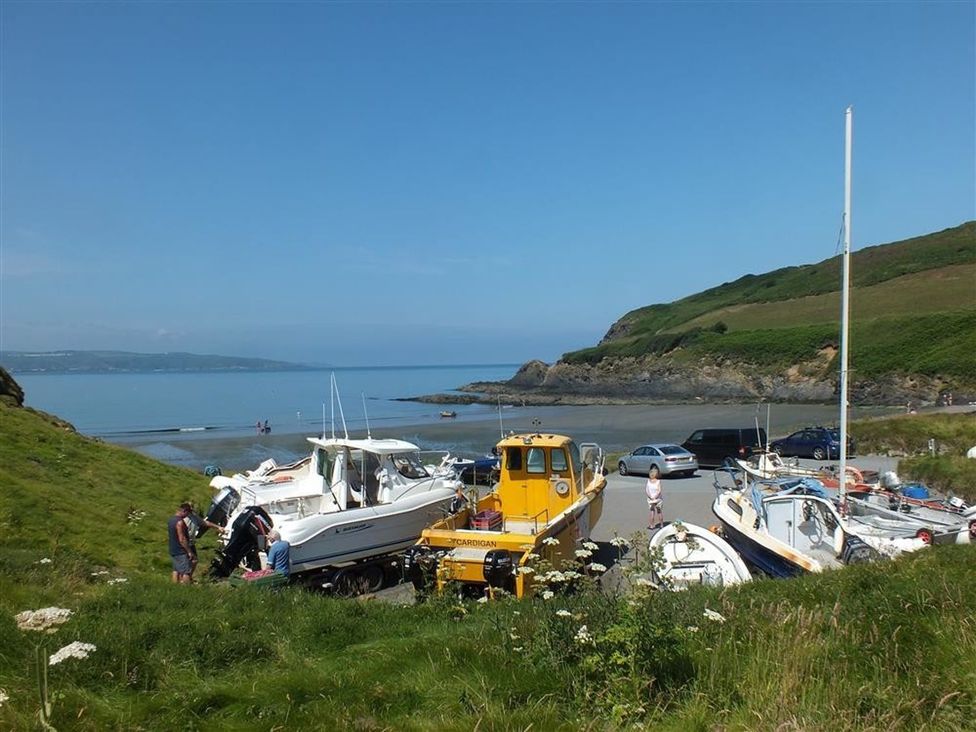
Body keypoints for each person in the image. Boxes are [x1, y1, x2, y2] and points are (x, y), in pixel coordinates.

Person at [182, 502, 226, 581]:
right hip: (185, 543)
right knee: (187, 564)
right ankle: (184, 581)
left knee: (194, 561)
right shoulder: (184, 519)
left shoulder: (194, 517)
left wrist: (218, 527)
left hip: (191, 543)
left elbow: (205, 523)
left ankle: (188, 578)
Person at [167, 504, 193, 584]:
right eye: (187, 514)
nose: (187, 516)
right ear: (184, 511)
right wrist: (189, 551)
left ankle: (175, 587)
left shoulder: (171, 520)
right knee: (186, 571)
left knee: (176, 570)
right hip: (180, 550)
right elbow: (182, 539)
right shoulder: (180, 522)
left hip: (173, 549)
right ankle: (187, 589)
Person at [645, 465, 664, 531]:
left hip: (650, 499)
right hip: (658, 499)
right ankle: (661, 525)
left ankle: (652, 525)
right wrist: (655, 496)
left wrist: (650, 496)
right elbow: (659, 490)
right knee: (659, 511)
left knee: (652, 512)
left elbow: (647, 490)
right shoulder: (658, 481)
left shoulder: (648, 481)